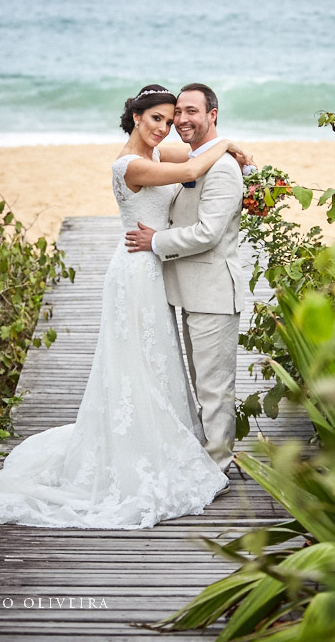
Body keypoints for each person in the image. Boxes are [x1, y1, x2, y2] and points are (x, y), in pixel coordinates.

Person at [0, 84, 251, 528]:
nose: (168, 125)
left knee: (158, 361)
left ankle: (172, 442)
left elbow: (199, 160)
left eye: (172, 116)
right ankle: (141, 447)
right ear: (136, 118)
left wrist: (227, 150)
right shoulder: (132, 165)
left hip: (160, 271)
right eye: (158, 118)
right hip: (139, 269)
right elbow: (197, 162)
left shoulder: (160, 155)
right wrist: (229, 143)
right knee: (136, 358)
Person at [125, 83, 245, 477]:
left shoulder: (223, 169)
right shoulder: (198, 158)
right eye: (177, 112)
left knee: (213, 388)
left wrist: (156, 241)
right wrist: (228, 144)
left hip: (212, 292)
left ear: (213, 114)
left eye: (191, 111)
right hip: (188, 291)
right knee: (199, 381)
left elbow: (208, 233)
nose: (181, 120)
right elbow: (187, 166)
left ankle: (217, 468)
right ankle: (207, 457)